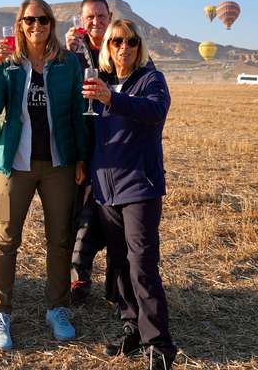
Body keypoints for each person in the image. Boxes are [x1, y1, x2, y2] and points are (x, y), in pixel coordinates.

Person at [0, 0, 88, 350]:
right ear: (20, 24)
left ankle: (57, 308)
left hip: (58, 164)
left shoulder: (68, 62)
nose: (36, 25)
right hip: (15, 163)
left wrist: (81, 159)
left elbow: (76, 113)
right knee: (6, 239)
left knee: (59, 238)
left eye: (42, 19)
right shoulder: (9, 62)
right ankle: (0, 313)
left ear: (51, 23)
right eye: (29, 20)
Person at [82, 19, 177, 369]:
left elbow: (154, 112)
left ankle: (159, 343)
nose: (125, 48)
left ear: (140, 46)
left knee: (143, 263)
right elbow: (91, 131)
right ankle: (131, 325)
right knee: (119, 262)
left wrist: (113, 99)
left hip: (140, 184)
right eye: (117, 41)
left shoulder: (151, 79)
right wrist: (87, 171)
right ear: (107, 46)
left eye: (132, 42)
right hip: (106, 185)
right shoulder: (100, 81)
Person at [63, 0, 116, 303]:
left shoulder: (121, 45)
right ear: (81, 21)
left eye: (100, 16)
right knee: (77, 209)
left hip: (112, 140)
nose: (95, 22)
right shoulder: (75, 53)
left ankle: (107, 280)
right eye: (89, 17)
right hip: (81, 137)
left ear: (109, 17)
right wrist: (66, 51)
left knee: (107, 210)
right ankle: (77, 274)